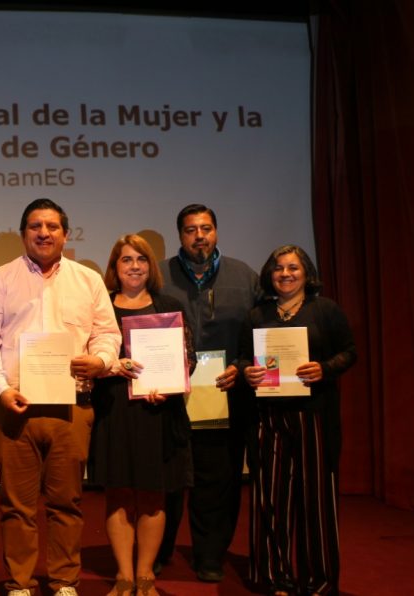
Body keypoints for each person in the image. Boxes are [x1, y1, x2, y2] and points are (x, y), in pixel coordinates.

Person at [0, 198, 121, 596]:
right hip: (14, 405)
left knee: (67, 503)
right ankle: (20, 582)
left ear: (65, 234)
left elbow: (108, 334)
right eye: (35, 226)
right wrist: (1, 389)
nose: (43, 232)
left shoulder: (87, 280)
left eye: (52, 226)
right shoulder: (0, 279)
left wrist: (101, 360)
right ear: (23, 234)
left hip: (71, 406)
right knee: (16, 505)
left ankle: (63, 581)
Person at [238, 245, 355, 596]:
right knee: (270, 498)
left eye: (293, 267)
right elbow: (243, 357)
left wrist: (324, 368)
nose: (285, 274)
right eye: (278, 268)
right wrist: (248, 372)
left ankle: (318, 581)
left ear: (306, 273)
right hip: (268, 417)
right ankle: (275, 578)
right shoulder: (257, 314)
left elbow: (349, 352)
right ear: (269, 274)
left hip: (314, 417)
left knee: (316, 501)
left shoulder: (326, 310)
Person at [156, 204, 261, 582]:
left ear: (216, 231)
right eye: (190, 230)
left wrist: (243, 363)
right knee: (167, 480)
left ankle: (210, 556)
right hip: (171, 396)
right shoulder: (160, 275)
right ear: (179, 235)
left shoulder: (244, 276)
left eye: (206, 228)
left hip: (224, 393)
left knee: (218, 480)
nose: (199, 236)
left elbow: (260, 331)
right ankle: (159, 551)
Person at [88, 235, 196, 596]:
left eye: (141, 260)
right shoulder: (101, 308)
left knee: (154, 496)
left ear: (151, 267)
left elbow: (187, 359)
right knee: (118, 495)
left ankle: (146, 575)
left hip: (159, 412)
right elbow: (87, 358)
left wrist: (169, 385)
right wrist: (111, 366)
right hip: (115, 410)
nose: (134, 266)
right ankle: (124, 576)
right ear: (114, 268)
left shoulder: (169, 305)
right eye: (126, 260)